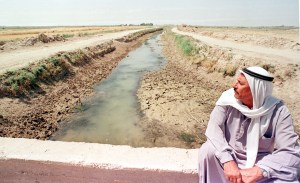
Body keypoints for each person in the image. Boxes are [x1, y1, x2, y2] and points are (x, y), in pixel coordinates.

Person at [198, 66, 300, 183]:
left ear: (255, 90)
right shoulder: (227, 100)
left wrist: (261, 170)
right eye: (237, 81)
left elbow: (290, 151)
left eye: (240, 83)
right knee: (208, 150)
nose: (234, 85)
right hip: (229, 158)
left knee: (289, 174)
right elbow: (213, 131)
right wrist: (227, 161)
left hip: (261, 163)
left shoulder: (279, 111)